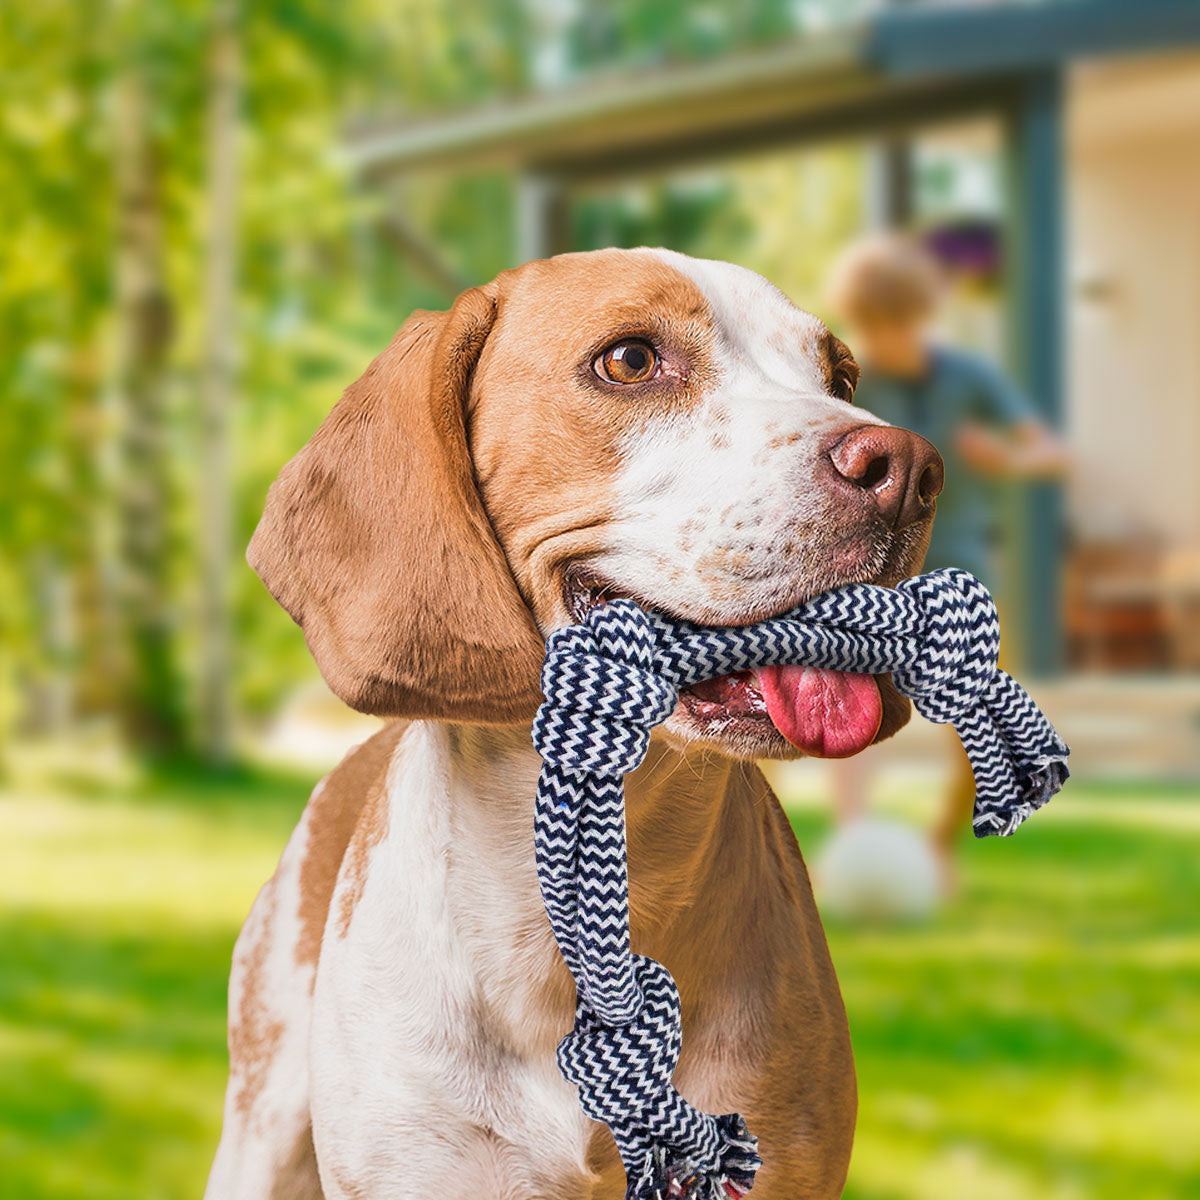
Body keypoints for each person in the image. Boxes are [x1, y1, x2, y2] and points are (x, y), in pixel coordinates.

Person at [825, 232, 1068, 884]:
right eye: (873, 325)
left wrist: (1005, 457)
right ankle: (855, 840)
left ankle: (942, 849)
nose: (886, 339)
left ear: (922, 315)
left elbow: (1051, 452)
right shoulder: (850, 383)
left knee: (979, 721)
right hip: (871, 576)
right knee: (854, 708)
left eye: (898, 324)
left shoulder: (970, 379)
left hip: (964, 578)